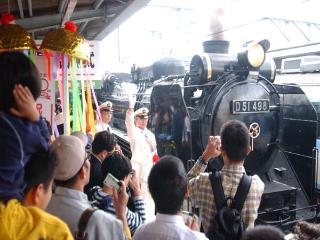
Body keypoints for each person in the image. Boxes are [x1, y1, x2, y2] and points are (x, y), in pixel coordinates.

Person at [187, 120, 264, 235]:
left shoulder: (203, 181)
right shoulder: (257, 184)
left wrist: (206, 156)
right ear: (248, 150)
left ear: (222, 149)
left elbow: (186, 186)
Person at [46, 135, 129, 240]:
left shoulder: (39, 206)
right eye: (88, 157)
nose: (90, 160)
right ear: (83, 172)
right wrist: (121, 213)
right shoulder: (101, 222)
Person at [0, 51, 50, 202]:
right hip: (7, 204)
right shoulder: (19, 130)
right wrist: (35, 116)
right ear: (23, 97)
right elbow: (45, 146)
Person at [133, 155, 207, 240]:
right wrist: (194, 236)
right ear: (187, 192)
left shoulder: (140, 233)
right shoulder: (197, 237)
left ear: (150, 190)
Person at [91, 153, 146, 234]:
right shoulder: (119, 209)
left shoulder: (93, 191)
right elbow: (142, 225)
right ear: (123, 180)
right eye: (129, 177)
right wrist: (137, 190)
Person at [125, 106, 157, 220]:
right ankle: (138, 219)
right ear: (136, 119)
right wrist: (130, 109)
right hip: (138, 169)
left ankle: (149, 218)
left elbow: (155, 154)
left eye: (146, 118)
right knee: (137, 196)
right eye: (141, 118)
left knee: (149, 195)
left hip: (149, 170)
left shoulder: (151, 135)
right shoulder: (134, 132)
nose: (144, 120)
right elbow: (128, 123)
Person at [84, 130, 117, 197]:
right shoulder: (99, 172)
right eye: (113, 153)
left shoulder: (87, 156)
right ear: (104, 153)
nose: (114, 155)